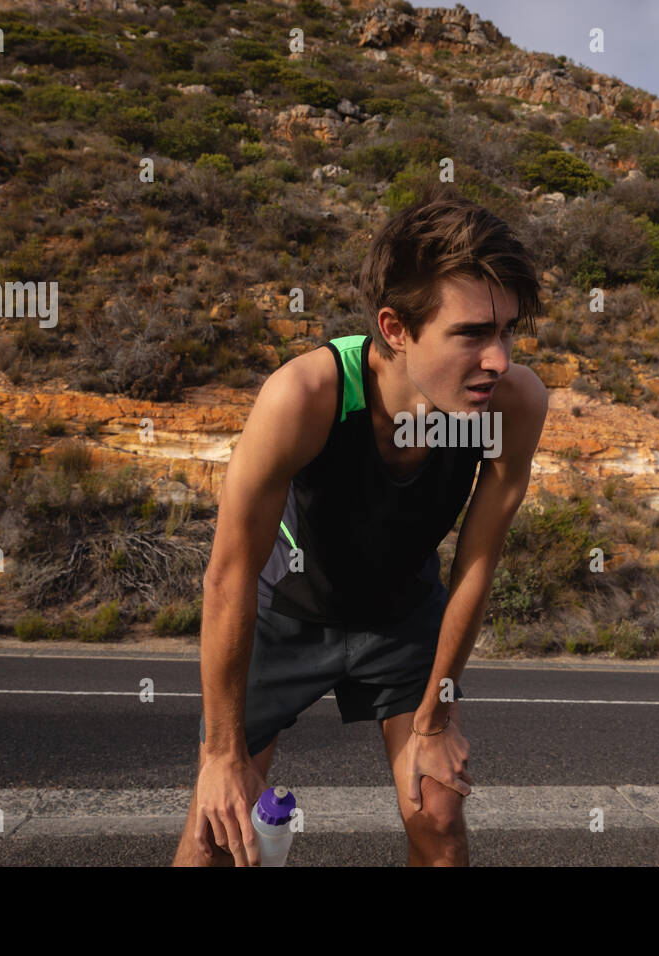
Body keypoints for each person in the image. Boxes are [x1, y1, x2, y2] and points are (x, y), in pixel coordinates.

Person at [171, 185, 548, 867]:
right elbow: (228, 574)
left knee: (436, 814)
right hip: (286, 611)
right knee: (216, 835)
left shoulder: (512, 404)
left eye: (507, 331)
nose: (499, 358)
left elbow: (477, 563)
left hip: (403, 616)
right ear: (397, 328)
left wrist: (436, 717)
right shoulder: (305, 396)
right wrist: (221, 755)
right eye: (471, 334)